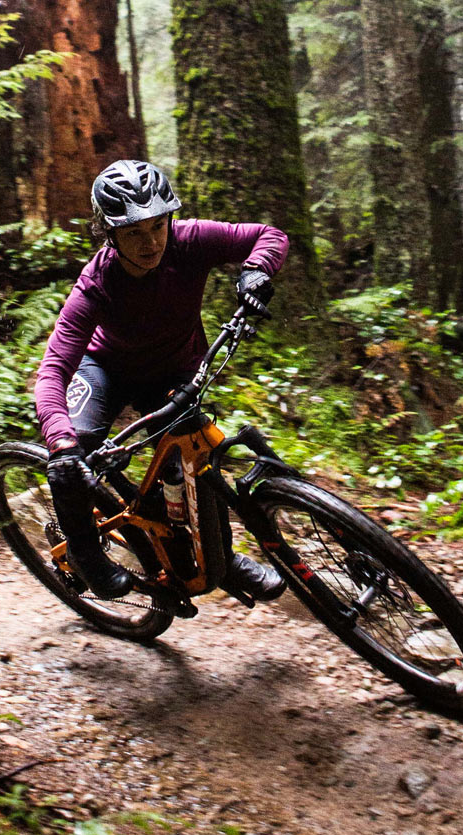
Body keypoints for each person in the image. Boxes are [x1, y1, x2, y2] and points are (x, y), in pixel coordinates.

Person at [33, 159, 289, 601]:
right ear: (110, 235)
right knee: (73, 456)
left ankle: (218, 561)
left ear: (169, 218)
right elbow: (54, 369)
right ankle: (83, 553)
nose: (150, 241)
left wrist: (257, 270)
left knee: (193, 464)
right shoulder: (96, 283)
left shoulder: (190, 240)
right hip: (107, 370)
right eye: (133, 232)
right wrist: (60, 442)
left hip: (174, 371)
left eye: (157, 226)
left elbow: (269, 235)